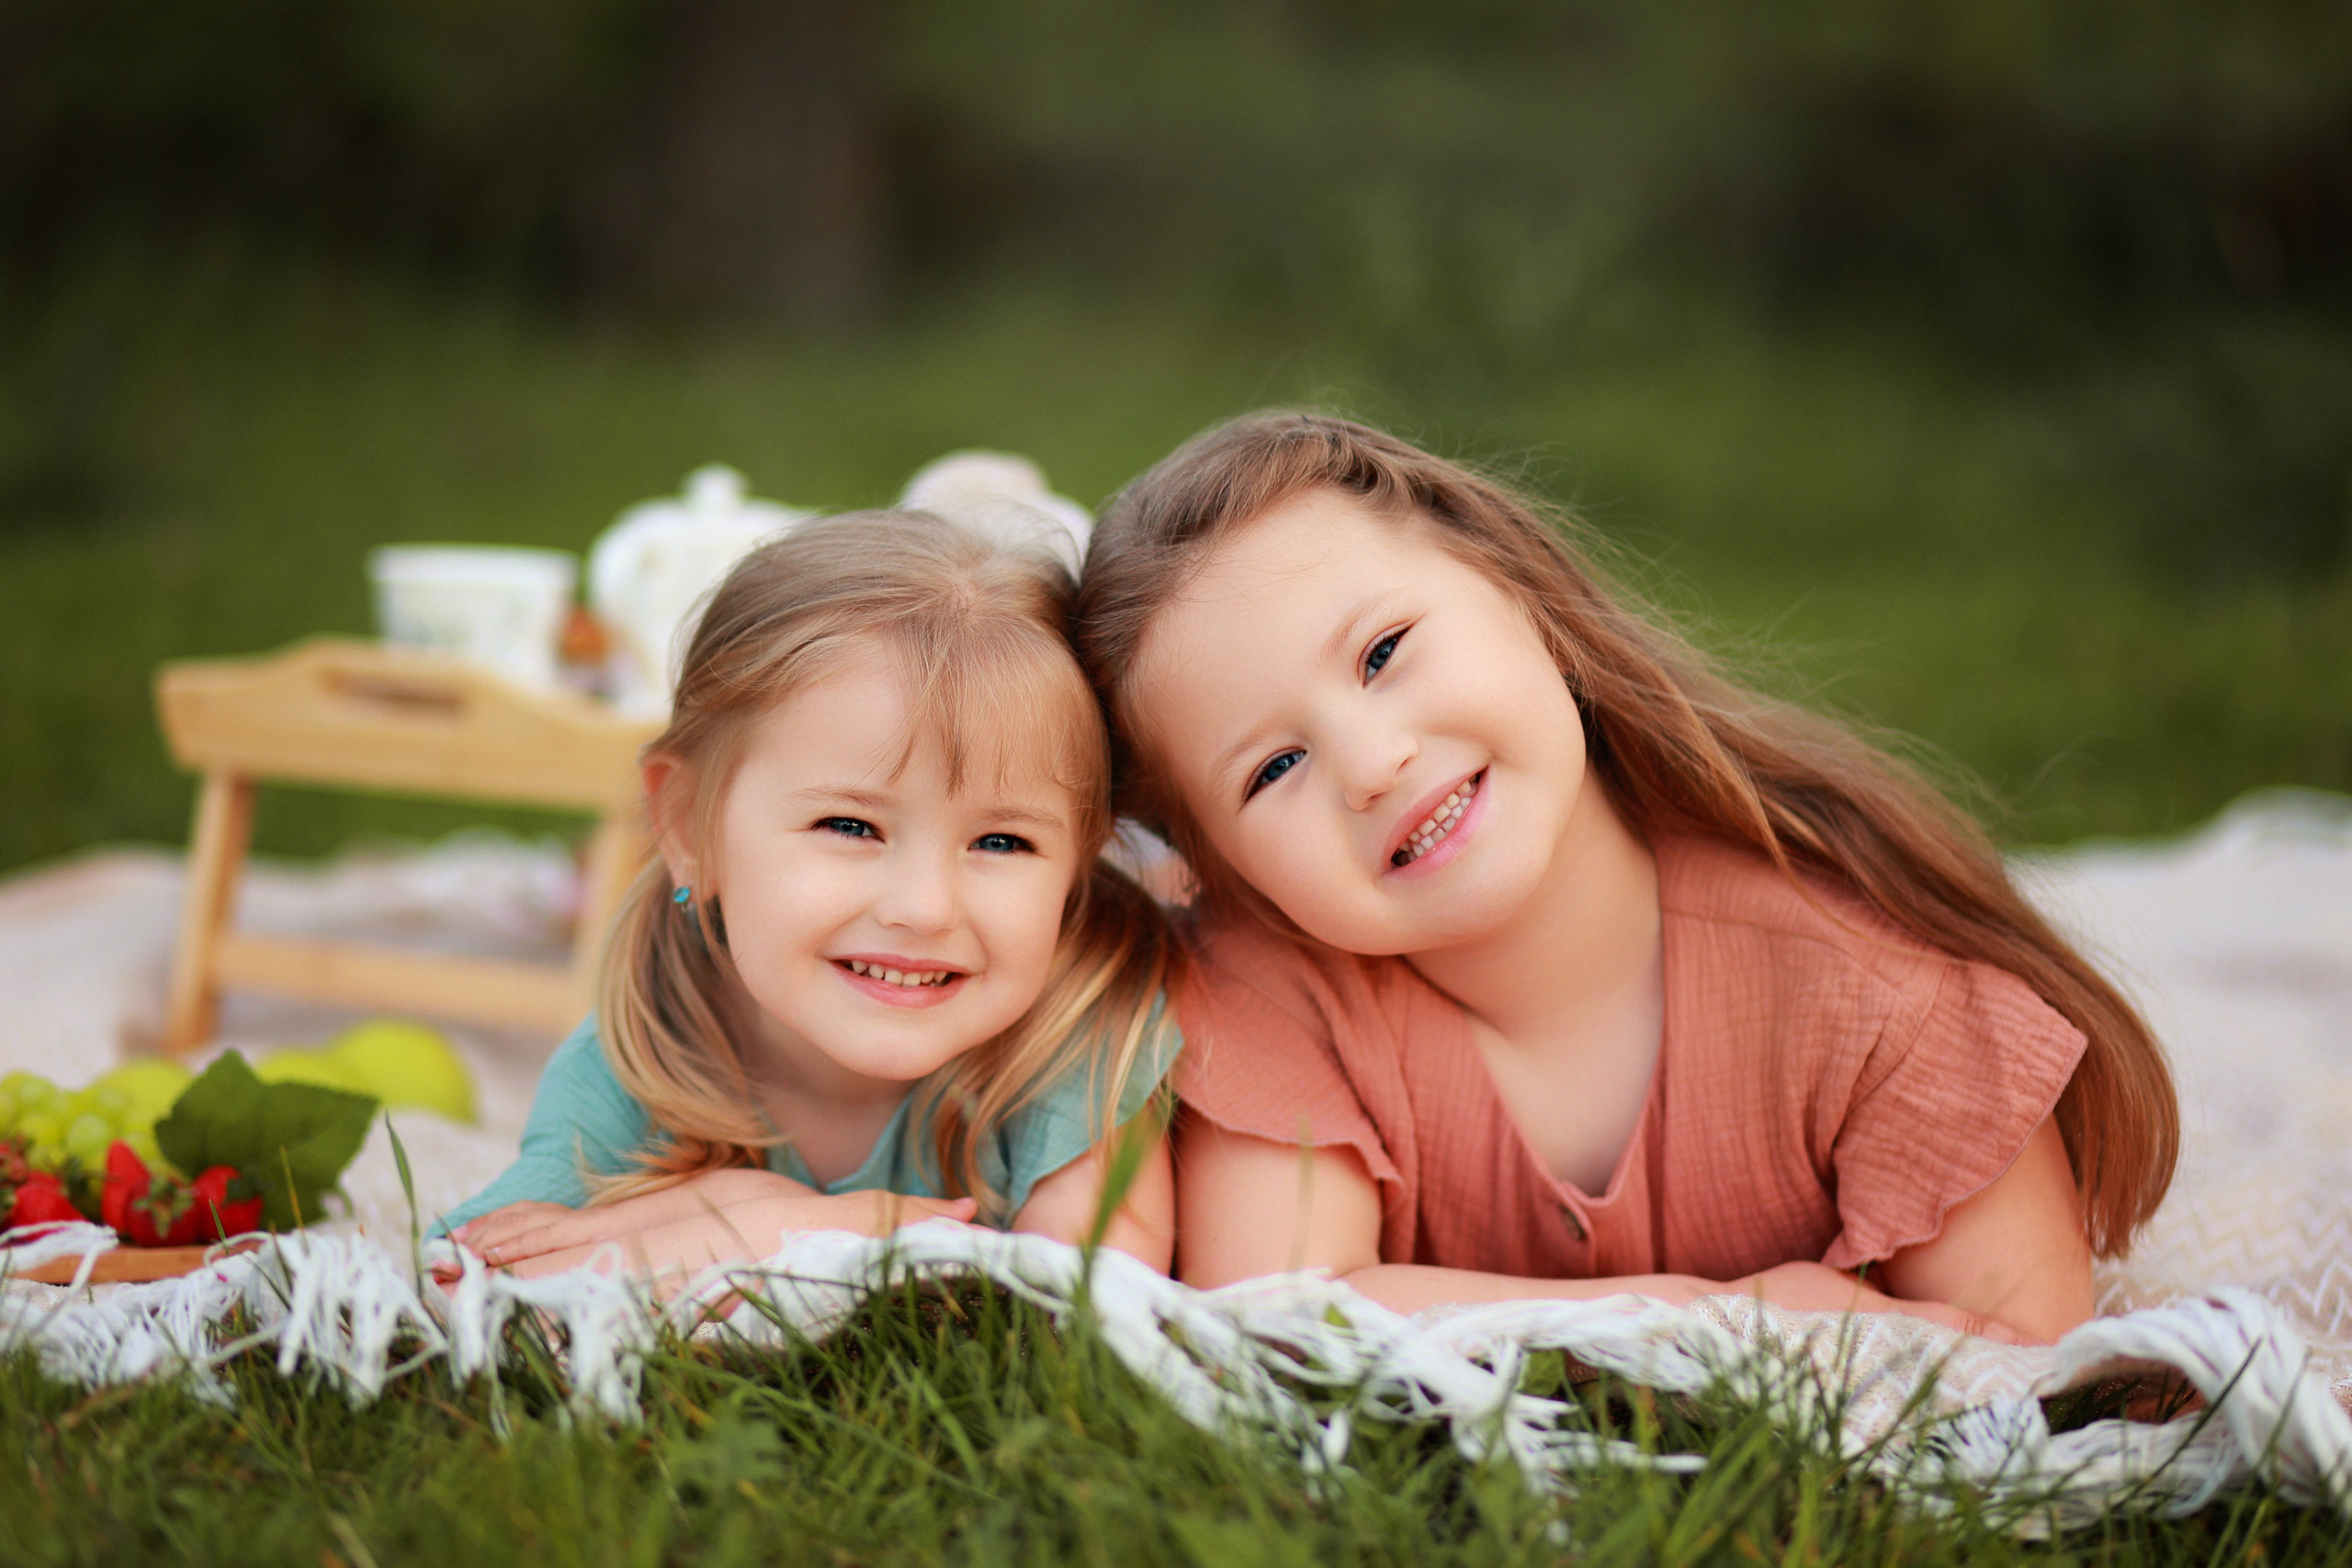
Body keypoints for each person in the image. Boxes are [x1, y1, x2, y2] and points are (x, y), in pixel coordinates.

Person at [1074, 411, 2177, 1344]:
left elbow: (2026, 1355)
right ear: (1217, 869)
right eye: (1273, 769)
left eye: (1382, 653)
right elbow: (1283, 1322)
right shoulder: (1262, 991)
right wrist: (1726, 1317)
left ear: (1525, 600)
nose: (1371, 765)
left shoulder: (1866, 984)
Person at [445, 511, 1181, 1279]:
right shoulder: (647, 1055)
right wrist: (770, 1213)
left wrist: (727, 1232)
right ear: (689, 826)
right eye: (850, 825)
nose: (924, 908)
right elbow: (465, 1273)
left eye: (1001, 842)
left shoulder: (1086, 1041)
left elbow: (1087, 1309)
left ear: (1077, 867)